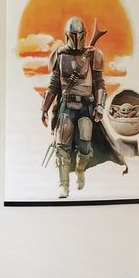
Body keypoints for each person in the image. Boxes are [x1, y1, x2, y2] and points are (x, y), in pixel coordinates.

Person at [39, 16, 130, 198]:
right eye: (72, 34)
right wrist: (44, 109)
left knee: (85, 145)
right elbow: (54, 86)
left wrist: (100, 106)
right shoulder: (59, 55)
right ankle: (63, 185)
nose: (75, 37)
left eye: (78, 34)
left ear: (84, 35)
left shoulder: (93, 55)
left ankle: (80, 169)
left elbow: (99, 84)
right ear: (66, 35)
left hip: (85, 107)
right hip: (66, 106)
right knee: (62, 145)